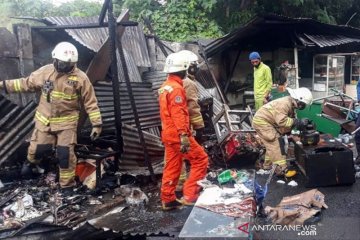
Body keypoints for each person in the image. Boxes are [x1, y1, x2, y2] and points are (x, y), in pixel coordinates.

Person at [0, 42, 102, 195]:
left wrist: (97, 124)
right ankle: (31, 164)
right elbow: (25, 83)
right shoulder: (45, 72)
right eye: (62, 62)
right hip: (45, 121)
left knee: (65, 155)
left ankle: (67, 186)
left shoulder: (80, 78)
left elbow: (90, 101)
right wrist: (3, 85)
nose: (64, 66)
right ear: (55, 59)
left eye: (68, 63)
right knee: (37, 150)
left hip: (66, 124)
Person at [159, 51, 208, 210]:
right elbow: (178, 113)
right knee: (201, 159)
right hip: (178, 134)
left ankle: (168, 199)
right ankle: (190, 194)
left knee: (172, 166)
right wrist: (184, 135)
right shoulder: (177, 89)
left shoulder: (164, 87)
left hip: (167, 133)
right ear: (183, 69)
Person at [252, 87, 313, 177]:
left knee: (270, 145)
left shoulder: (290, 103)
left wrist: (298, 123)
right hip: (262, 122)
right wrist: (297, 122)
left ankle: (267, 166)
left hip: (267, 121)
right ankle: (282, 170)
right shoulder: (284, 104)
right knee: (275, 143)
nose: (303, 107)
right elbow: (282, 121)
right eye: (303, 104)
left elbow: (289, 120)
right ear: (299, 100)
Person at [175, 50, 205, 191]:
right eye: (195, 65)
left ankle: (179, 183)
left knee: (177, 156)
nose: (197, 68)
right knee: (200, 157)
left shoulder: (173, 82)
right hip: (183, 126)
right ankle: (192, 186)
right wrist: (199, 127)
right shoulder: (189, 83)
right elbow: (192, 107)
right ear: (189, 67)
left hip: (172, 126)